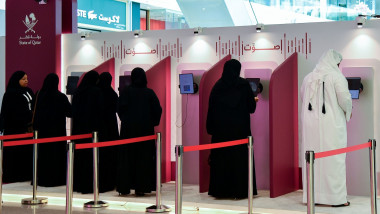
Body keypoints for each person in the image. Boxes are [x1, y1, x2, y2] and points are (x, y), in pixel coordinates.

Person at [301, 49, 352, 207]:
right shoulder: (337, 77)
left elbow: (303, 96)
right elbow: (345, 99)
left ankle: (312, 196)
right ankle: (336, 199)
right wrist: (348, 112)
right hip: (332, 124)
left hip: (310, 124)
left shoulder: (308, 77)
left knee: (312, 160)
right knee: (334, 160)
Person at [206, 59, 258, 198]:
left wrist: (210, 129)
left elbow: (211, 110)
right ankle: (239, 191)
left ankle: (220, 191)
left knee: (222, 162)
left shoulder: (217, 86)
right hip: (240, 132)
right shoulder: (243, 85)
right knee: (240, 161)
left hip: (220, 133)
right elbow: (251, 108)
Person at [117, 67, 162, 196]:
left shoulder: (126, 92)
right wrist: (151, 122)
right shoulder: (149, 93)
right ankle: (141, 187)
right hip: (145, 132)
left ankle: (125, 187)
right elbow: (157, 110)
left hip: (128, 132)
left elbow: (120, 109)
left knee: (127, 159)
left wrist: (126, 121)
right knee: (143, 160)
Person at [34, 73, 71, 187]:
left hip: (41, 132)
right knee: (56, 155)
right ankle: (56, 179)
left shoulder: (38, 95)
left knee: (43, 154)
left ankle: (41, 178)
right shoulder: (60, 97)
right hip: (57, 132)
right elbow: (70, 112)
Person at [72, 70, 103, 194]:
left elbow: (73, 111)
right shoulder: (97, 92)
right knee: (91, 158)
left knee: (79, 158)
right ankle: (90, 184)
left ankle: (78, 184)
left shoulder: (77, 92)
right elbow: (100, 111)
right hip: (92, 130)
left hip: (79, 130)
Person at [0, 70, 34, 183]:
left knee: (25, 153)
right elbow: (6, 112)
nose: (26, 81)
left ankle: (25, 174)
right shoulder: (10, 93)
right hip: (13, 129)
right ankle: (12, 176)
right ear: (17, 80)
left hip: (27, 129)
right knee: (13, 154)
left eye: (27, 78)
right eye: (23, 79)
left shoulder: (28, 91)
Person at [97, 72, 119, 192]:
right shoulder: (112, 93)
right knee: (111, 154)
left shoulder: (96, 92)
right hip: (111, 126)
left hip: (98, 128)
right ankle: (112, 180)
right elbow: (118, 108)